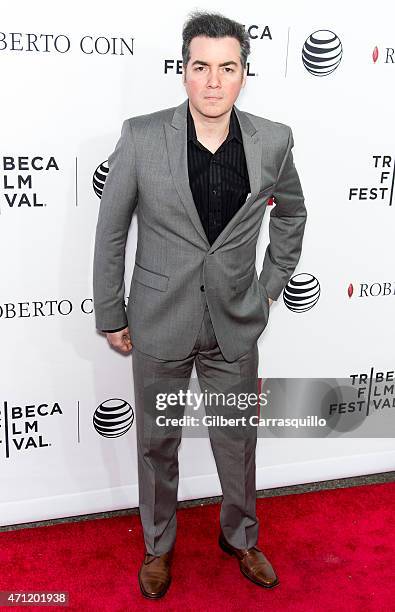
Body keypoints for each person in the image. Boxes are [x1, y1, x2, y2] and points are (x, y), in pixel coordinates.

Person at [93, 10, 307, 599]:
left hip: (235, 326)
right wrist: (111, 311)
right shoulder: (141, 136)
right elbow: (112, 230)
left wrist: (267, 286)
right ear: (183, 72)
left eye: (228, 68)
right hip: (159, 324)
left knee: (237, 443)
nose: (213, 81)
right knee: (157, 442)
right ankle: (158, 547)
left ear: (244, 74)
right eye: (201, 67)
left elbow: (292, 213)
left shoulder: (274, 140)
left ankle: (240, 536)